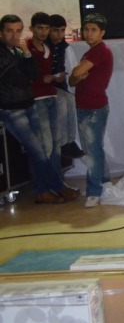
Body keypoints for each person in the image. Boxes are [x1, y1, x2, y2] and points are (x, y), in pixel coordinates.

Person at [0, 14, 66, 203]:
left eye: (18, 31)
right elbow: (20, 78)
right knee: (38, 151)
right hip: (11, 109)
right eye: (9, 31)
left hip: (28, 103)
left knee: (40, 150)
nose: (14, 35)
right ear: (1, 32)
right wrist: (29, 74)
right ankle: (58, 186)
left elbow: (34, 74)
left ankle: (42, 191)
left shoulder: (18, 50)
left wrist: (27, 54)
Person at [26, 12, 78, 201]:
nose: (44, 32)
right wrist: (45, 79)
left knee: (55, 147)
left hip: (50, 96)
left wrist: (52, 78)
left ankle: (55, 185)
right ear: (32, 29)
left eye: (46, 28)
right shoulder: (27, 48)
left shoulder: (48, 48)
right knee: (44, 148)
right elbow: (27, 75)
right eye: (40, 28)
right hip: (36, 100)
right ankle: (45, 189)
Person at [69, 13, 114, 208]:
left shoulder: (100, 51)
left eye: (93, 30)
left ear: (102, 32)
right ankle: (104, 182)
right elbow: (72, 80)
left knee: (93, 151)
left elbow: (76, 73)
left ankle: (94, 191)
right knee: (93, 149)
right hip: (85, 105)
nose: (89, 33)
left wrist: (77, 74)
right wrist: (76, 76)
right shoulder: (90, 52)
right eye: (86, 29)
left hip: (94, 108)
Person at [46, 14, 83, 160]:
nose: (60, 34)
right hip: (44, 86)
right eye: (56, 30)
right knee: (61, 101)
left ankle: (70, 140)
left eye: (62, 30)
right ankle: (62, 142)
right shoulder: (43, 46)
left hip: (59, 86)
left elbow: (71, 69)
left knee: (70, 100)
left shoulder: (65, 48)